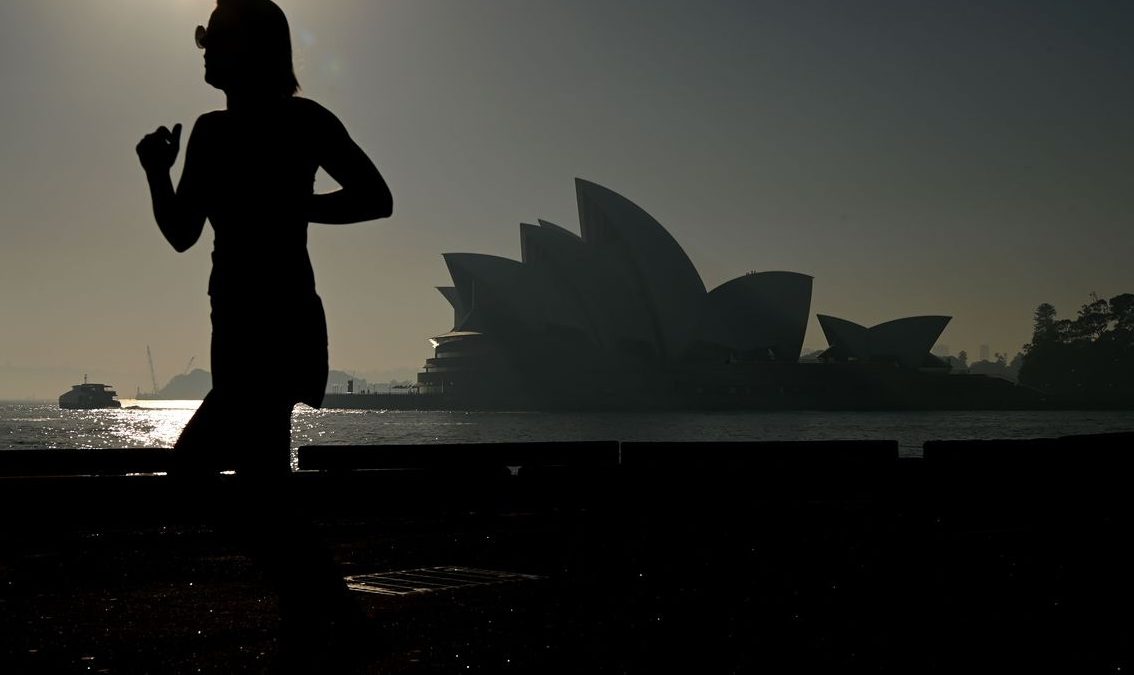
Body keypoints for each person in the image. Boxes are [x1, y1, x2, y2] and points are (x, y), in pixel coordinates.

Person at [136, 0, 392, 668]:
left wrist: (293, 205)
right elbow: (183, 232)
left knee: (196, 475)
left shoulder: (301, 122)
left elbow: (375, 196)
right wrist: (157, 173)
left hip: (275, 328)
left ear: (248, 49)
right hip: (239, 328)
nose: (203, 51)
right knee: (265, 488)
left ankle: (323, 608)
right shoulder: (211, 132)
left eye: (213, 40)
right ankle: (315, 619)